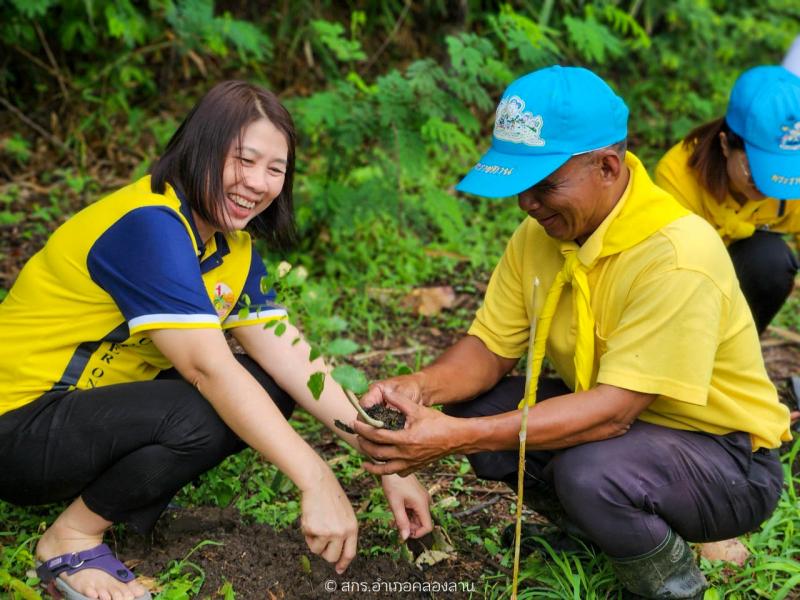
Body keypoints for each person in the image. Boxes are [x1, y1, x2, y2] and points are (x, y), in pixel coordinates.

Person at [351, 66, 792, 600]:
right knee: (479, 405)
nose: (527, 204)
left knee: (590, 470)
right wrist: (420, 389)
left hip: (728, 459)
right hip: (632, 433)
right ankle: (602, 536)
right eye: (520, 186)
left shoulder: (677, 256)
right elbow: (489, 349)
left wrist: (453, 436)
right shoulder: (539, 235)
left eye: (545, 185)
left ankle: (671, 584)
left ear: (607, 166)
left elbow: (612, 413)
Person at [0, 81, 432, 600]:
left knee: (270, 386)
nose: (258, 182)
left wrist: (383, 451)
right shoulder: (150, 225)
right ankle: (69, 540)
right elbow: (207, 369)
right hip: (17, 425)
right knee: (206, 405)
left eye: (275, 169)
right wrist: (316, 479)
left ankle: (121, 502)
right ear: (200, 149)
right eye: (243, 160)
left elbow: (291, 356)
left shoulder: (231, 244)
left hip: (79, 414)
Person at [654, 66, 800, 335]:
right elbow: (667, 269)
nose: (770, 184)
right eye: (756, 170)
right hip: (683, 282)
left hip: (742, 277)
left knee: (770, 261)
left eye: (784, 171)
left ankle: (736, 351)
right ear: (725, 144)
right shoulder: (678, 178)